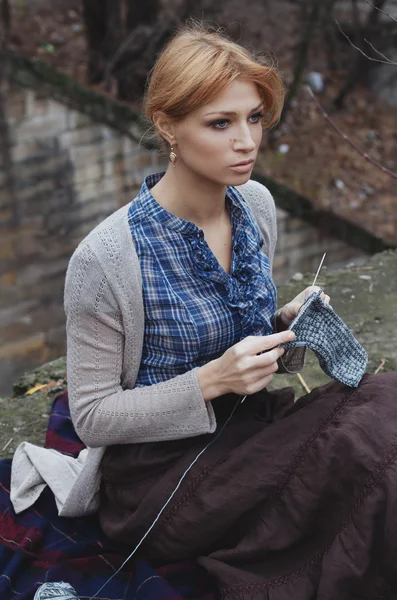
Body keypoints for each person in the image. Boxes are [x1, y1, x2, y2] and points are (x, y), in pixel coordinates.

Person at [61, 23, 397, 600]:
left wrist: (287, 328)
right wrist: (211, 381)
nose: (246, 141)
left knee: (386, 397)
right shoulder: (106, 259)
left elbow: (261, 354)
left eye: (254, 118)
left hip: (255, 434)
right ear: (167, 125)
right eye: (221, 123)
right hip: (163, 483)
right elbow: (92, 418)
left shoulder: (256, 206)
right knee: (364, 444)